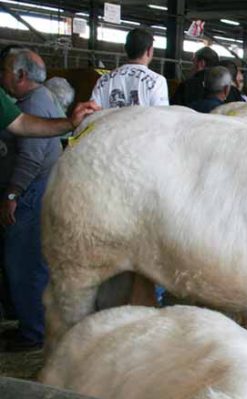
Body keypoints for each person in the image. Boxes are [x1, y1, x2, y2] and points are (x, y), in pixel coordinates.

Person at [0, 50, 73, 352]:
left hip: (31, 193)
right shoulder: (36, 100)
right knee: (27, 263)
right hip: (35, 190)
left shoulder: (34, 103)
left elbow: (32, 156)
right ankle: (31, 325)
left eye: (4, 69)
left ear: (20, 75)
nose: (1, 74)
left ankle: (35, 333)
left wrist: (12, 193)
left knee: (25, 263)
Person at [91, 28, 168, 108]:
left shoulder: (103, 80)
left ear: (125, 49)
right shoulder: (157, 81)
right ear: (149, 51)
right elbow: (161, 117)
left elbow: (93, 112)